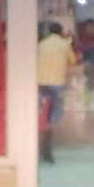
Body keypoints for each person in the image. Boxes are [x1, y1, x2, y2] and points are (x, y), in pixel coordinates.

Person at [37, 21, 77, 163]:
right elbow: (73, 61)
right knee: (52, 118)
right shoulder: (64, 44)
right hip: (56, 83)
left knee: (40, 115)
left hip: (40, 83)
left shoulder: (41, 44)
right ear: (61, 32)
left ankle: (41, 148)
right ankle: (47, 150)